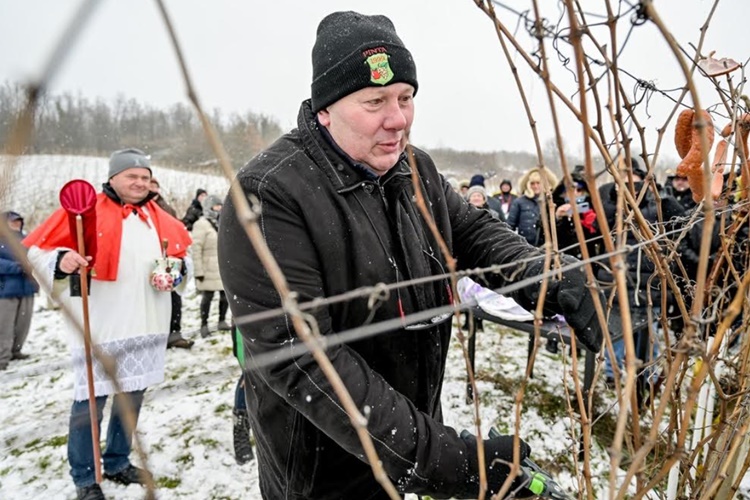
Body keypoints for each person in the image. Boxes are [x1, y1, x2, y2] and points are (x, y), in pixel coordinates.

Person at [217, 11, 602, 499]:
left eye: (405, 98)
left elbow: (474, 231)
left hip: (410, 434)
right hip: (324, 467)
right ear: (325, 109)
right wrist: (452, 462)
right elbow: (303, 359)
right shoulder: (269, 194)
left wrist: (554, 279)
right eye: (375, 101)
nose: (397, 119)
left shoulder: (413, 167)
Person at [24, 148, 191, 500]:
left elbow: (181, 255)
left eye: (145, 177)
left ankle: (117, 461)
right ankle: (85, 476)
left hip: (146, 322)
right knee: (90, 403)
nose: (140, 182)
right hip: (101, 325)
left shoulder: (158, 216)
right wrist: (61, 259)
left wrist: (174, 271)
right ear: (113, 177)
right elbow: (35, 250)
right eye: (132, 176)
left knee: (131, 399)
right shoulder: (85, 213)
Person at [150, 177, 194, 349]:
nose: (153, 190)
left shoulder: (166, 208)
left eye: (155, 187)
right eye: (150, 187)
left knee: (173, 297)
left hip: (169, 259)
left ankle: (174, 334)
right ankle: (157, 336)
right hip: (149, 258)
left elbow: (177, 228)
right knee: (154, 300)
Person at [0, 211, 38, 370]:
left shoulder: (27, 239)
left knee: (23, 323)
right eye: (12, 222)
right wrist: (17, 267)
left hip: (27, 287)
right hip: (6, 289)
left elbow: (36, 256)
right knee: (5, 325)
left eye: (18, 221)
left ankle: (16, 350)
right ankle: (2, 357)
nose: (16, 224)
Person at [192, 194, 229, 337]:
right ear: (208, 208)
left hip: (222, 268)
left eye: (220, 206)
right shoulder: (201, 224)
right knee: (207, 298)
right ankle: (204, 325)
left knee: (225, 297)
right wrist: (198, 270)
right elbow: (196, 249)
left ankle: (222, 321)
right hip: (208, 269)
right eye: (216, 206)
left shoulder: (223, 222)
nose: (219, 209)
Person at [506, 167, 559, 247]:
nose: (535, 186)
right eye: (532, 183)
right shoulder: (519, 202)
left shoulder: (551, 201)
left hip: (548, 247)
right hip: (525, 246)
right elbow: (510, 225)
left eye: (538, 183)